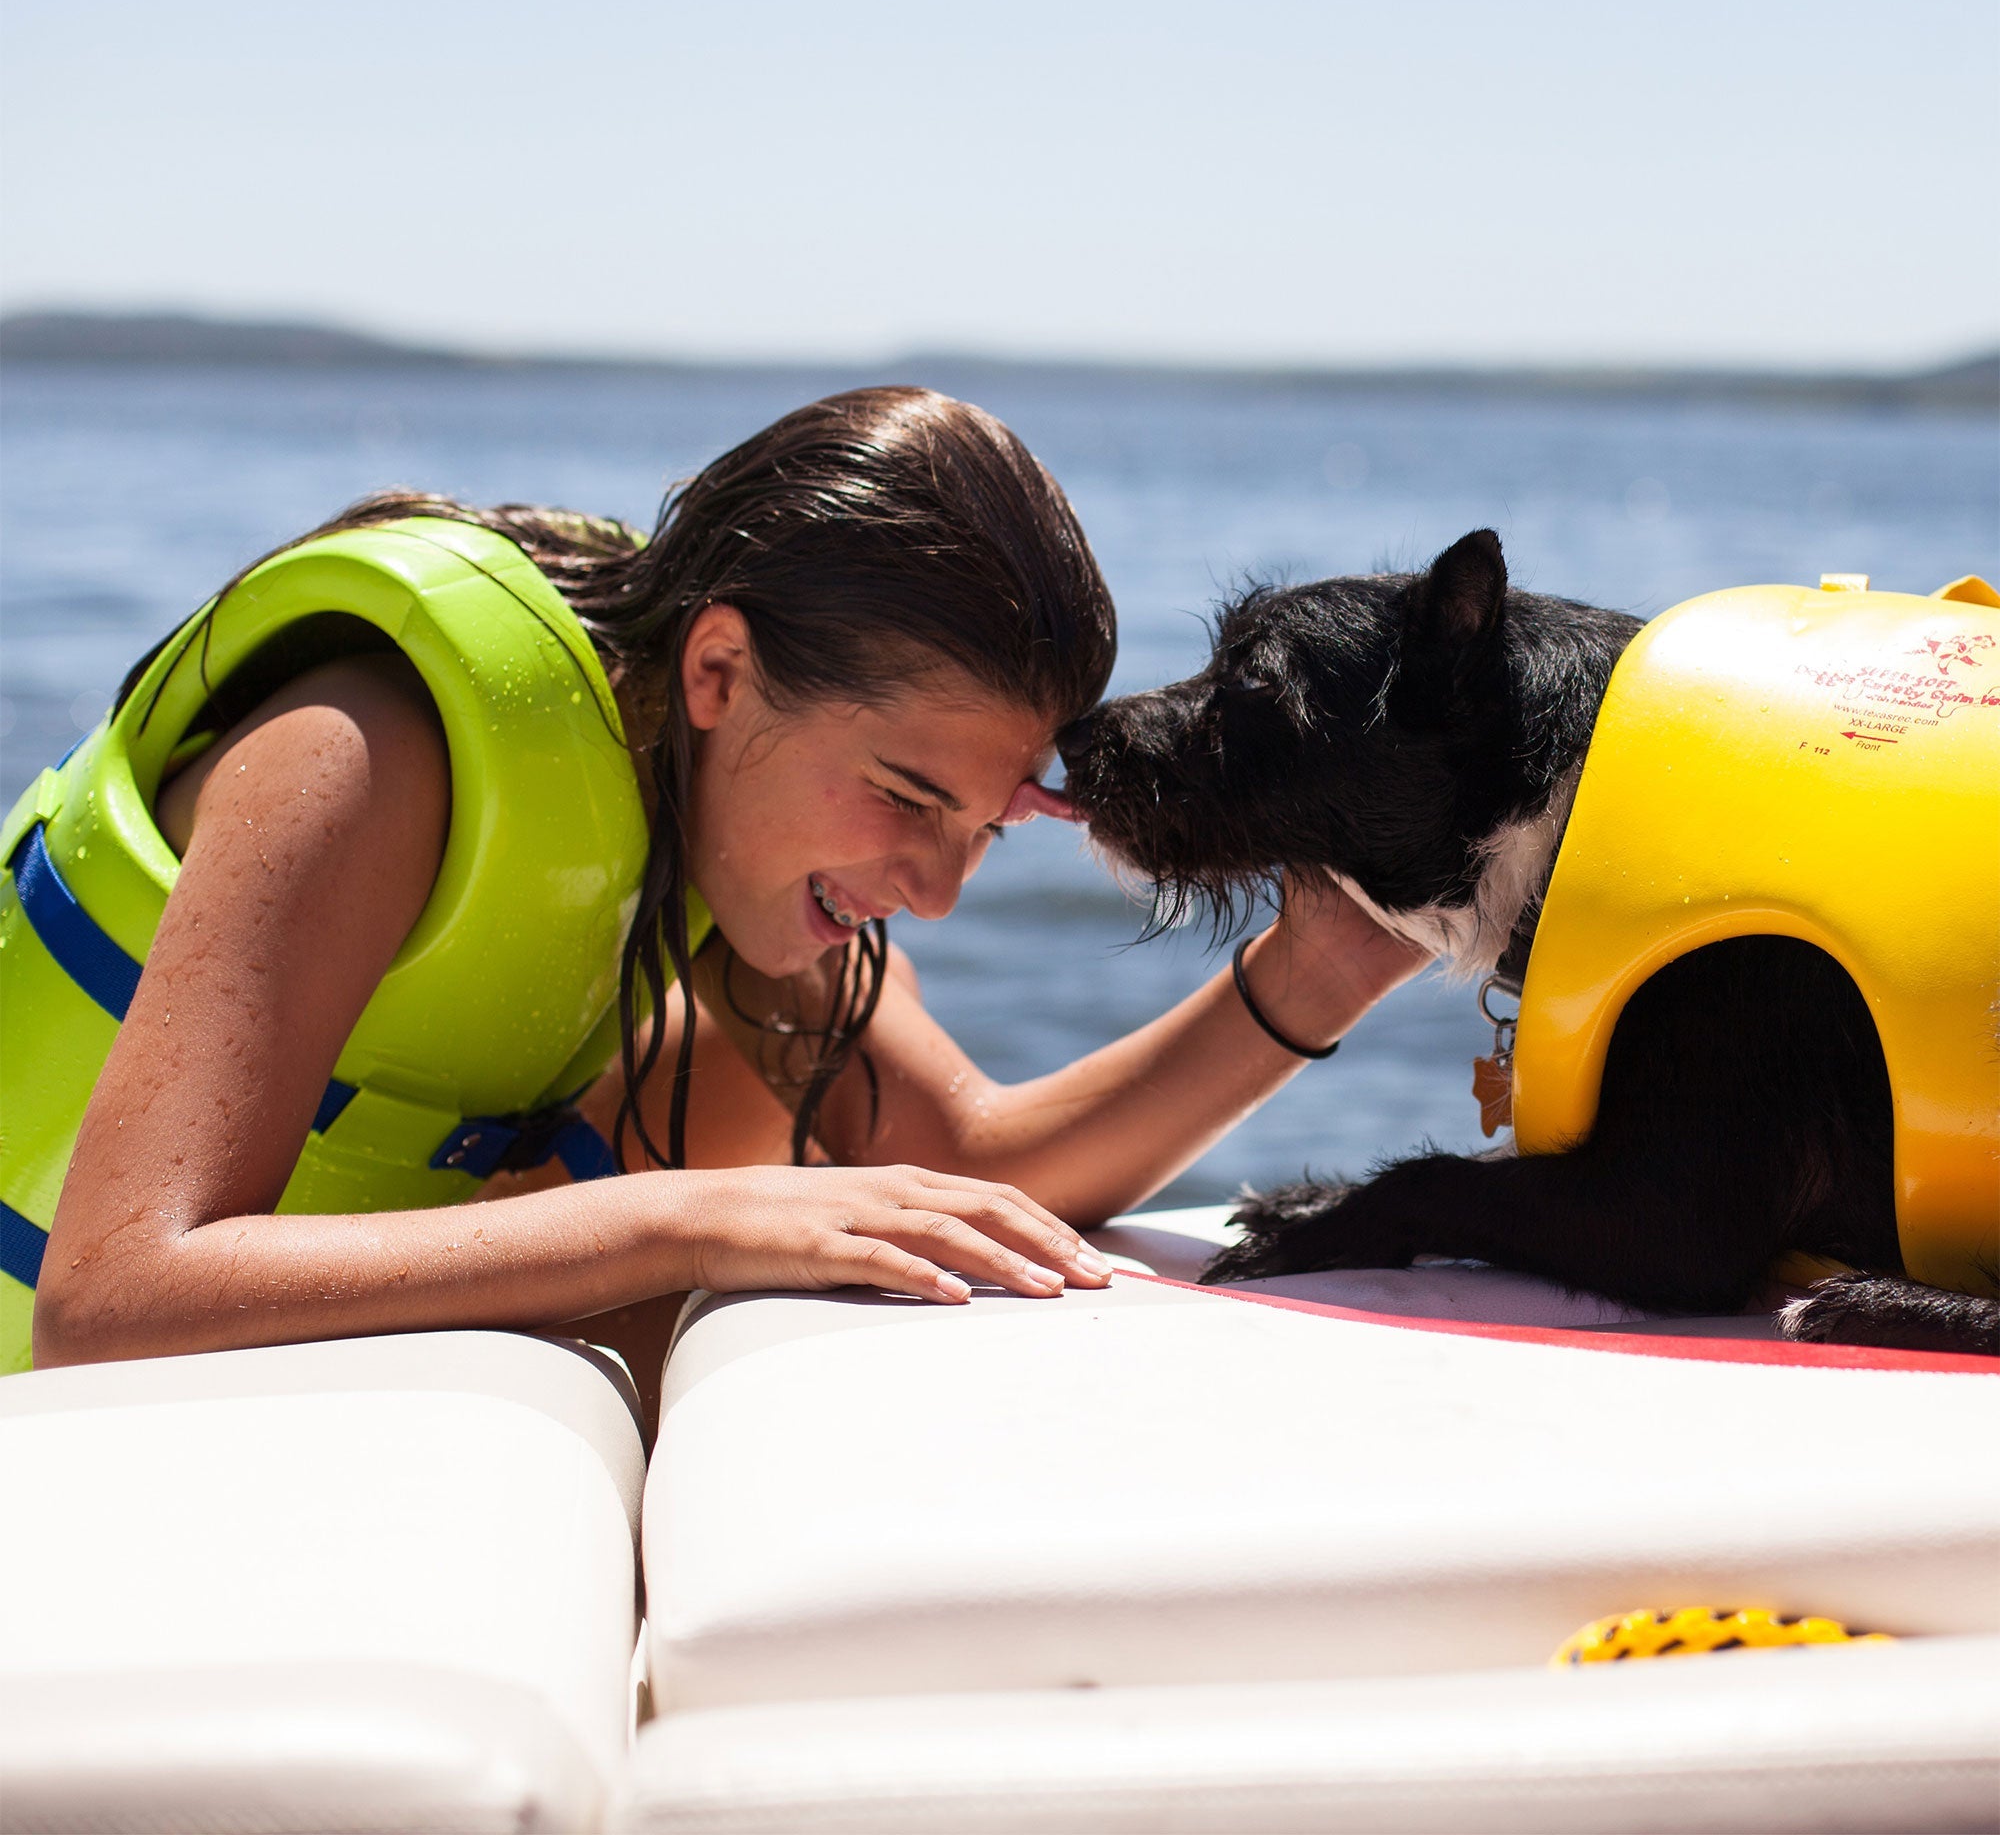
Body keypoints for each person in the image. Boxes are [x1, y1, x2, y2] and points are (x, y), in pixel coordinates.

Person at [1, 388, 1428, 1410]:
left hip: (215, 1419)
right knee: (723, 1132)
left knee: (763, 1120)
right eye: (907, 798)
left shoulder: (719, 818)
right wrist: (683, 1219)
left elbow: (965, 1163)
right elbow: (109, 1298)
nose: (935, 895)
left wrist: (1323, 967)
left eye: (986, 828)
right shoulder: (369, 752)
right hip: (54, 1430)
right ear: (720, 671)